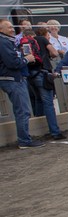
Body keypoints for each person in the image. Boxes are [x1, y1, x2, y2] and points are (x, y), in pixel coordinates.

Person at [0, 19, 43, 148]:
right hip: (13, 79)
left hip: (14, 79)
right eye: (9, 27)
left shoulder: (8, 41)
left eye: (12, 27)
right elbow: (13, 63)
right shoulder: (3, 42)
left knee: (22, 110)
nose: (12, 29)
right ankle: (24, 140)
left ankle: (25, 138)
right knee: (23, 111)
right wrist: (26, 59)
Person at [30, 26, 64, 139]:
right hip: (43, 74)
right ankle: (55, 132)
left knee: (38, 100)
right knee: (49, 103)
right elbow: (54, 53)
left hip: (31, 75)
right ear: (45, 34)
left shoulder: (30, 41)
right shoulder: (43, 39)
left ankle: (39, 130)